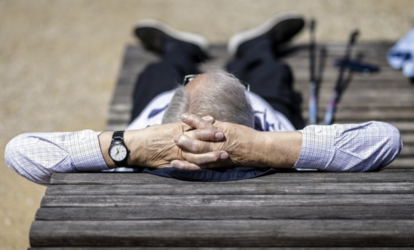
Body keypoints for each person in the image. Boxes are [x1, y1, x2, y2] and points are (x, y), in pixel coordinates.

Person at [5, 13, 402, 185]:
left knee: (157, 73)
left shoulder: (145, 150)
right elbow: (386, 140)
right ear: (254, 122)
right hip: (265, 110)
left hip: (161, 118)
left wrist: (135, 146)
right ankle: (255, 47)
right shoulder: (263, 142)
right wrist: (264, 147)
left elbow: (20, 151)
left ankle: (178, 50)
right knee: (272, 72)